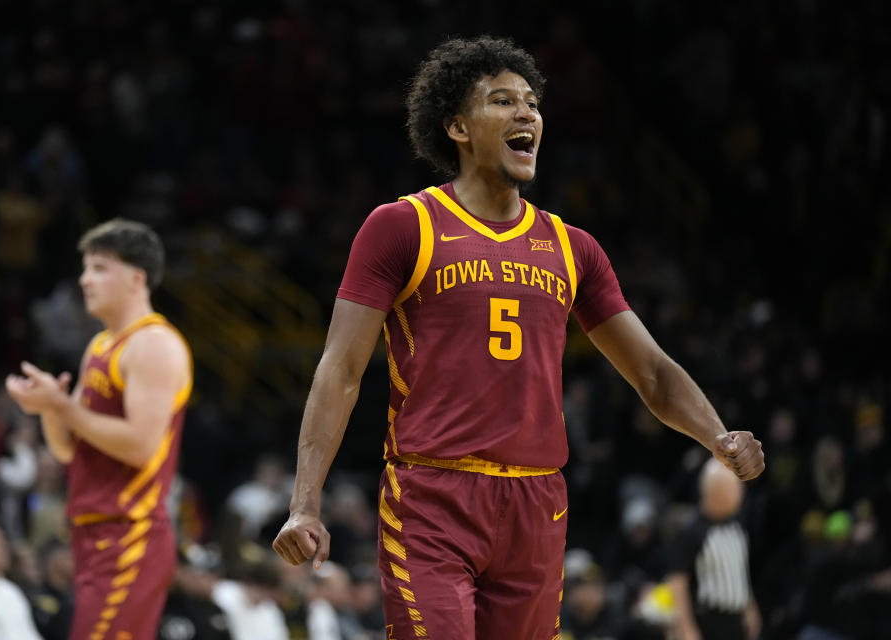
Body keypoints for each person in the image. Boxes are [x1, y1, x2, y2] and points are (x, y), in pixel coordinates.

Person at [271, 36, 765, 639]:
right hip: (433, 494)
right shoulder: (402, 226)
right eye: (502, 101)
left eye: (531, 103)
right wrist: (305, 502)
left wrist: (717, 434)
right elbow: (341, 370)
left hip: (537, 503)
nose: (526, 113)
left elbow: (653, 373)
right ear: (456, 126)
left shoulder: (572, 247)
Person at [6, 218, 192, 640]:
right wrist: (51, 410)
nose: (85, 279)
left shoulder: (154, 345)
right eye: (86, 268)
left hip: (131, 532)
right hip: (93, 531)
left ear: (136, 278)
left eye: (100, 268)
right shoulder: (100, 346)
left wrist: (64, 408)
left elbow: (142, 446)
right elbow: (69, 451)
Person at [669, 459, 761, 640]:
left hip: (735, 620)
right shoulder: (691, 531)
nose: (740, 495)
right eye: (735, 490)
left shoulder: (737, 524)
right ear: (717, 494)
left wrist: (750, 607)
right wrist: (687, 628)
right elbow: (678, 583)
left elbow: (738, 571)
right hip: (707, 621)